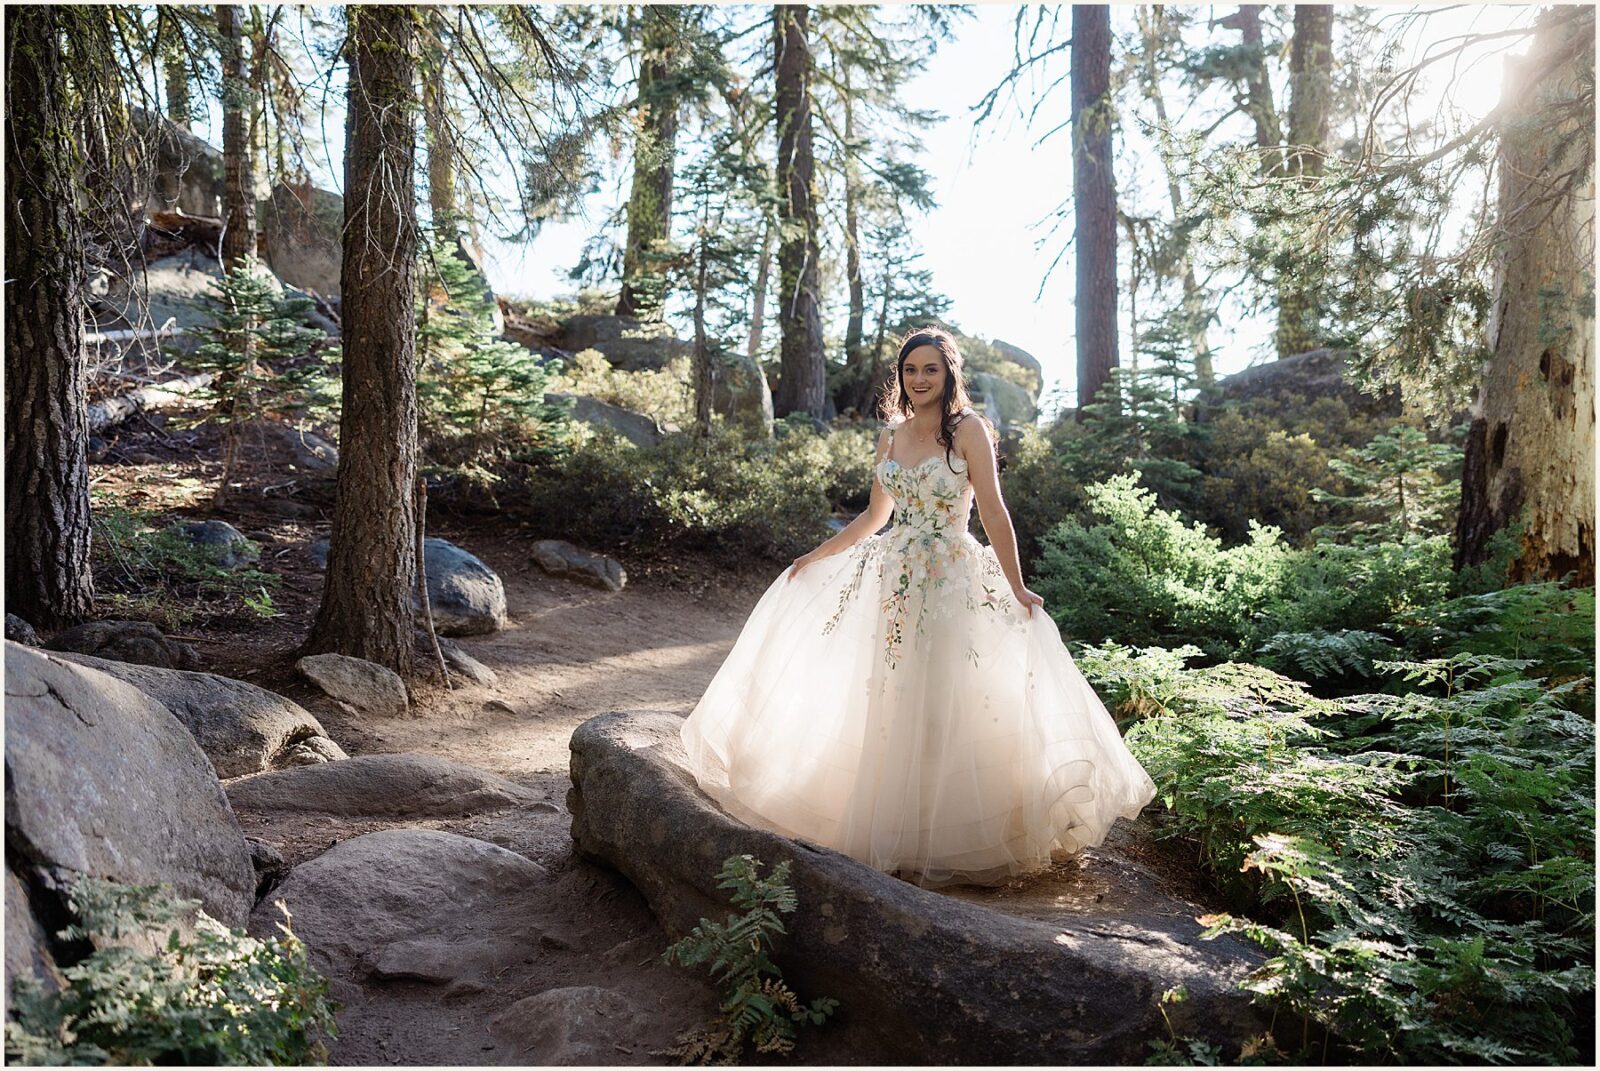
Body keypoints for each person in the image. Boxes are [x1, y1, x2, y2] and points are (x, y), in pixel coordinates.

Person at [679, 325, 1158, 888]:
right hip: (894, 581)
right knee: (892, 696)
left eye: (930, 369)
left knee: (947, 699)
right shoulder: (892, 436)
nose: (919, 379)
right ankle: (896, 828)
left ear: (948, 372)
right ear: (901, 377)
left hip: (952, 580)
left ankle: (948, 835)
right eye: (910, 370)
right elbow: (873, 518)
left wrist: (1018, 586)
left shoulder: (969, 431)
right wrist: (814, 553)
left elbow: (995, 514)